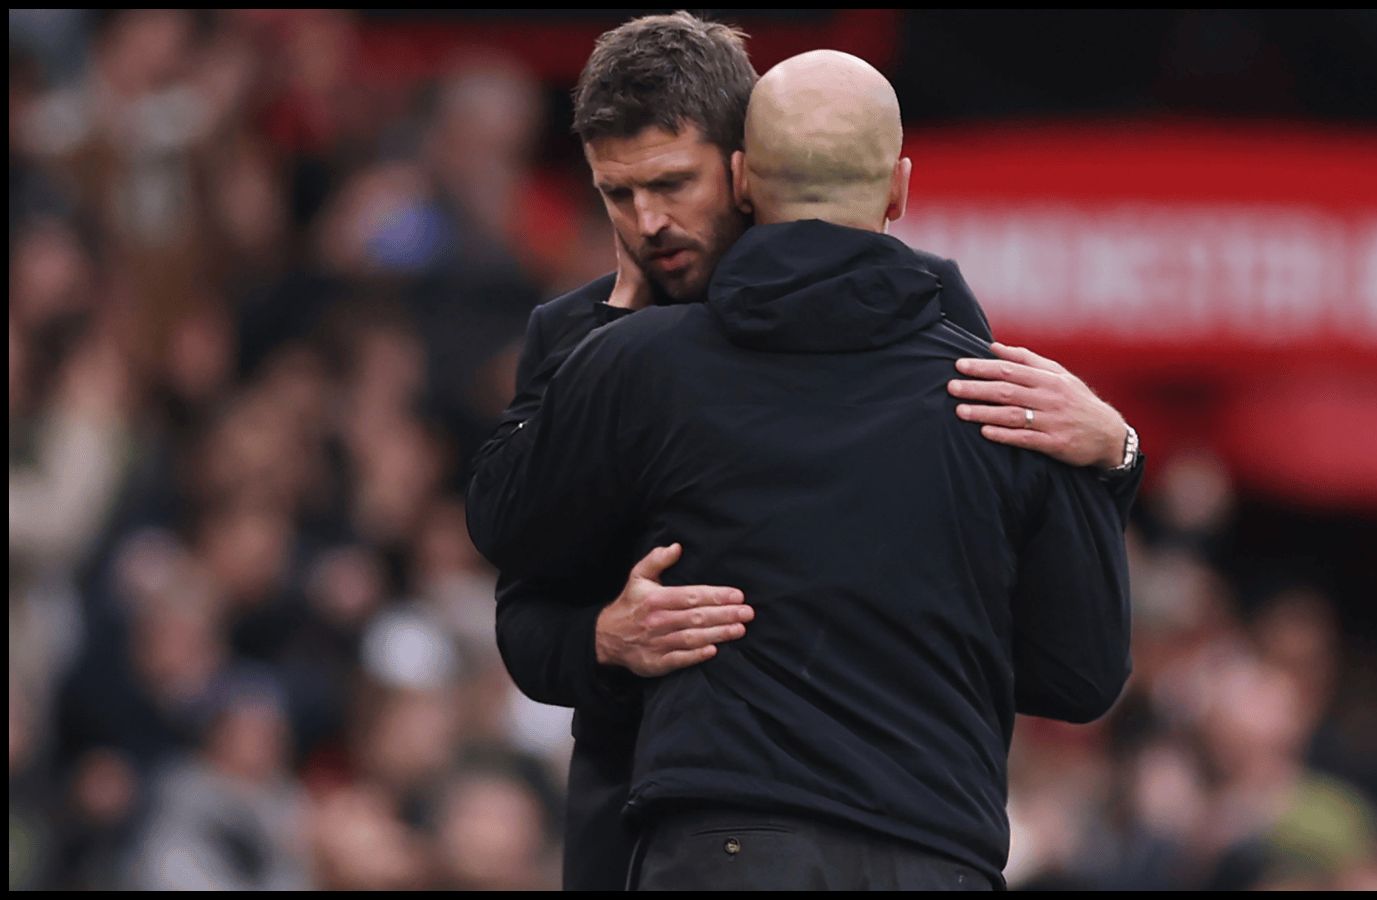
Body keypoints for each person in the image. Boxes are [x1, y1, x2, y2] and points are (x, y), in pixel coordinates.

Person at [465, 12, 1142, 891]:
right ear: (895, 189)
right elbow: (516, 582)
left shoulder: (977, 368)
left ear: (742, 171)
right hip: (719, 819)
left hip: (734, 833)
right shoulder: (595, 339)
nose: (647, 222)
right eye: (616, 195)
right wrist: (600, 639)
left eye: (673, 183)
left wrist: (1115, 451)